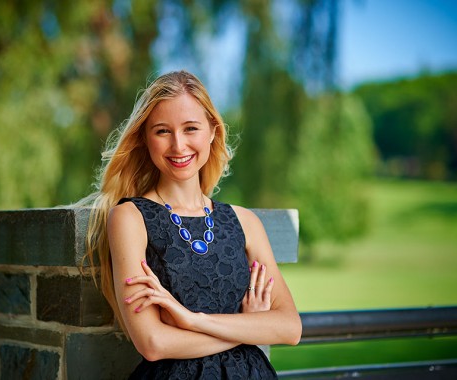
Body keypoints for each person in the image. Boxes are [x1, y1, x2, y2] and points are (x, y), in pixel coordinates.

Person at [83, 70, 301, 379]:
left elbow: (290, 327)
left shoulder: (244, 222)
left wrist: (189, 319)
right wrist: (249, 327)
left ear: (212, 132)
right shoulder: (130, 218)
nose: (178, 145)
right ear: (145, 138)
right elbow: (153, 343)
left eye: (191, 128)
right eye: (162, 131)